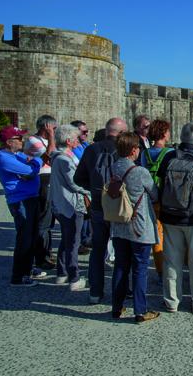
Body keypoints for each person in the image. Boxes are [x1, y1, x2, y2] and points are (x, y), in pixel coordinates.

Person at [157, 122, 193, 313]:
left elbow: (161, 183)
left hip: (170, 216)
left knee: (171, 260)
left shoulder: (168, 157)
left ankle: (171, 301)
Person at [74, 117, 128, 304]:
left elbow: (78, 179)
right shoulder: (124, 149)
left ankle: (95, 292)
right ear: (120, 133)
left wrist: (96, 190)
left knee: (97, 250)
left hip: (98, 205)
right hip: (120, 206)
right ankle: (121, 291)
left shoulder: (91, 149)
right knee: (121, 250)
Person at [110, 132, 161, 322]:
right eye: (138, 148)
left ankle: (117, 306)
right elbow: (154, 194)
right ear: (133, 150)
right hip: (138, 226)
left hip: (119, 224)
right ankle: (140, 310)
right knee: (140, 268)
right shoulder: (140, 172)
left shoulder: (113, 167)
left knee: (121, 267)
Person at [0, 125, 44, 287]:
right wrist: (36, 160)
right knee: (25, 238)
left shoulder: (17, 155)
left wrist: (33, 162)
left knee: (32, 236)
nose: (22, 141)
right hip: (20, 200)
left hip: (31, 197)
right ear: (9, 142)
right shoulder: (3, 157)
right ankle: (19, 276)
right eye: (19, 139)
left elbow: (30, 169)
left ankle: (28, 268)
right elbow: (31, 171)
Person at [49, 125, 90, 291]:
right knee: (73, 241)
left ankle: (62, 272)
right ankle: (74, 277)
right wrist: (90, 191)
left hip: (61, 203)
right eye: (75, 138)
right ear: (68, 141)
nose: (78, 141)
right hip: (70, 204)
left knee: (66, 239)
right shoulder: (64, 160)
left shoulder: (58, 156)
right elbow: (74, 183)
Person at [140, 119, 173, 285]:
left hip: (150, 197)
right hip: (166, 197)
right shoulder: (169, 152)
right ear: (163, 133)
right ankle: (172, 268)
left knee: (157, 235)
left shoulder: (144, 153)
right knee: (171, 235)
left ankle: (160, 271)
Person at [24, 115, 57, 270]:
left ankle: (47, 252)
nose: (55, 132)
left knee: (49, 220)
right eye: (53, 128)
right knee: (43, 220)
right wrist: (51, 137)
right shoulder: (33, 140)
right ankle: (41, 257)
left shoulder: (46, 140)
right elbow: (49, 155)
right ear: (46, 127)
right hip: (42, 179)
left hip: (50, 178)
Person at [70, 120, 92, 255]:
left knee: (87, 213)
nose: (86, 133)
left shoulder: (84, 145)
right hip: (79, 184)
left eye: (87, 131)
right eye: (84, 131)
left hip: (87, 183)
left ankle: (86, 239)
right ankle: (80, 242)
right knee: (80, 214)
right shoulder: (73, 148)